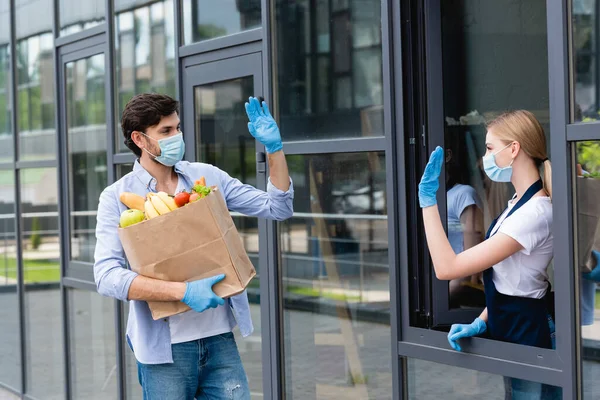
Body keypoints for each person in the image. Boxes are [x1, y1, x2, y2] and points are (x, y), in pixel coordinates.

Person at [93, 93, 293, 399]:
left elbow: (276, 208)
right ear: (140, 139)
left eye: (178, 128)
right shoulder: (117, 197)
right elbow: (106, 276)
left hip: (219, 340)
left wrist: (274, 150)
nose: (177, 136)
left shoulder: (207, 177)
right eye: (166, 131)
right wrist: (183, 293)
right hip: (164, 352)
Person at [418, 110, 560, 399]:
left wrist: (428, 201)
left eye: (490, 148)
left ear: (514, 149)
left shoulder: (535, 213)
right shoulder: (516, 204)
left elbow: (447, 268)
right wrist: (483, 319)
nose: (484, 157)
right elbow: (513, 277)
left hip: (528, 334)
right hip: (514, 326)